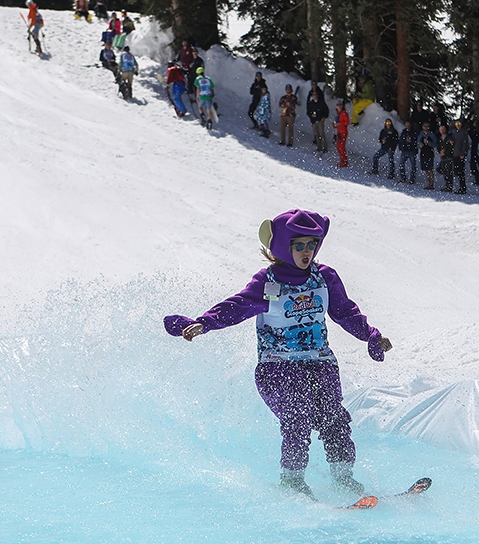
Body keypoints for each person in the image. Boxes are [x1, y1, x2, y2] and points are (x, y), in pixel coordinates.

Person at [163, 209, 393, 499]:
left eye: (312, 244)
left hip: (320, 365)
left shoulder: (324, 278)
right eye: (299, 245)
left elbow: (344, 312)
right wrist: (204, 322)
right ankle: (293, 482)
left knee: (334, 418)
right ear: (284, 245)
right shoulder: (268, 282)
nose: (307, 251)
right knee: (297, 417)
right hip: (278, 369)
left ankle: (344, 479)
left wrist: (370, 335)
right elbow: (238, 306)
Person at [306, 88, 329, 153]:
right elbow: (308, 112)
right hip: (314, 121)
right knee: (316, 134)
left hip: (320, 120)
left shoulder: (321, 102)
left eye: (315, 95)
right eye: (313, 95)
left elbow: (326, 110)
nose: (314, 96)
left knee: (322, 134)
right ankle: (319, 147)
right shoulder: (311, 103)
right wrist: (311, 116)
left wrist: (324, 117)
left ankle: (325, 147)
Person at [452, 119, 469, 194]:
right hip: (455, 154)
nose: (458, 125)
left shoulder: (464, 132)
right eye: (456, 123)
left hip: (460, 155)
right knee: (458, 172)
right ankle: (460, 187)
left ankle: (463, 188)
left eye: (459, 123)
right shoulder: (455, 132)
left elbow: (465, 144)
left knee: (461, 172)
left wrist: (463, 153)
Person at [418, 122, 437, 189]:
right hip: (423, 153)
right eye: (424, 126)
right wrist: (420, 145)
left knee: (430, 169)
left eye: (427, 126)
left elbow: (435, 144)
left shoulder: (432, 135)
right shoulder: (420, 134)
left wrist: (428, 142)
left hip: (430, 153)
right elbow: (418, 143)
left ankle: (431, 183)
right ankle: (429, 183)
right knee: (426, 169)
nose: (426, 128)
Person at [332, 100, 350, 167]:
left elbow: (347, 122)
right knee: (339, 147)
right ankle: (342, 161)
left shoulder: (344, 113)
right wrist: (334, 124)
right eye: (337, 105)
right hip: (339, 131)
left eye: (340, 105)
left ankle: (344, 162)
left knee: (341, 147)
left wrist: (339, 124)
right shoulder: (338, 114)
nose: (339, 106)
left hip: (343, 131)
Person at [437, 125, 454, 191]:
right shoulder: (440, 138)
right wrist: (440, 152)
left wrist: (445, 152)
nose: (442, 131)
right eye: (440, 129)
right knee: (444, 171)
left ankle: (450, 186)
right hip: (443, 157)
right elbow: (439, 147)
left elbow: (451, 147)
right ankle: (447, 185)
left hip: (449, 156)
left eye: (443, 129)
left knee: (449, 171)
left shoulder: (449, 137)